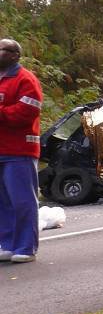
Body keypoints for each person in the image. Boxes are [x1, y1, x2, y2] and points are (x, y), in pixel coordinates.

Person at [0, 38, 43, 264]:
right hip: (1, 150)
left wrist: (1, 113)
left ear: (15, 55)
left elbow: (26, 112)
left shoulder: (26, 79)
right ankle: (7, 244)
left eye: (2, 50)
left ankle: (26, 247)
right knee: (3, 202)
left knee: (22, 200)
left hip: (20, 151)